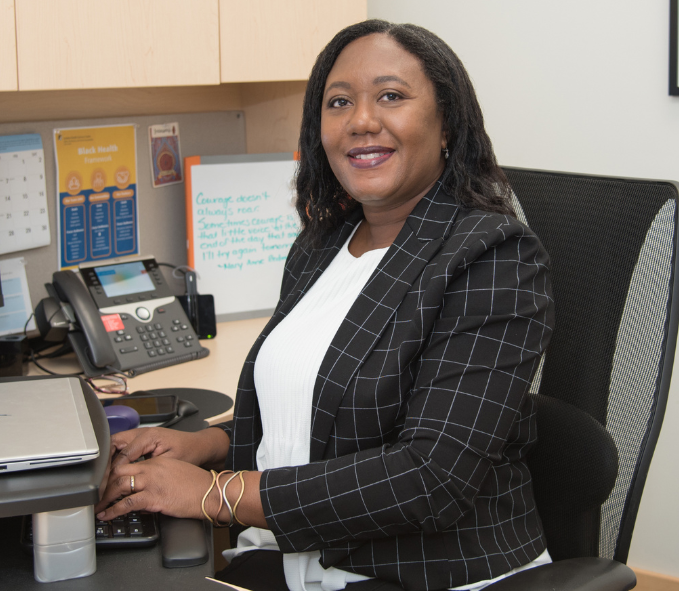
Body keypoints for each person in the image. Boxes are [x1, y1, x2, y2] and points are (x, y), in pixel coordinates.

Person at [95, 19, 554, 591]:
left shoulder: (492, 255)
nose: (361, 121)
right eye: (339, 102)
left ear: (446, 127)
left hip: (428, 572)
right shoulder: (321, 245)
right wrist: (204, 446)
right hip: (300, 559)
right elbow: (322, 410)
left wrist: (213, 493)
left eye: (391, 96)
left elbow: (429, 479)